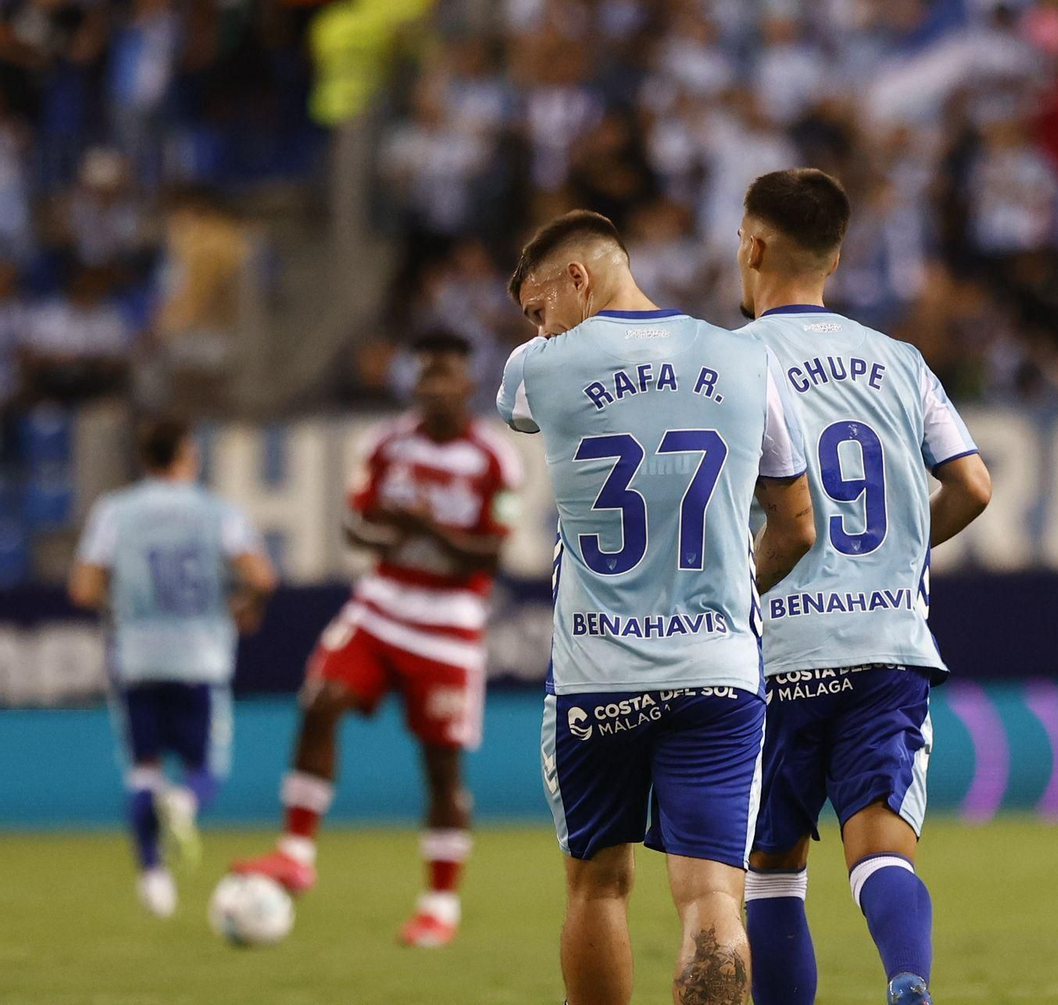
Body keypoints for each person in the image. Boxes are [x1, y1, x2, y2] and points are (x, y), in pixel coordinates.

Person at [498, 209, 815, 1005]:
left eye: (540, 306)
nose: (541, 325)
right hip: (715, 669)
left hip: (595, 673)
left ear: (578, 278)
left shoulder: (537, 367)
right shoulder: (744, 360)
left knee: (597, 886)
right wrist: (732, 595)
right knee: (712, 896)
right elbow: (797, 522)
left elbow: (524, 408)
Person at [733, 169, 991, 1005]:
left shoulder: (726, 364)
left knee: (770, 869)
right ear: (836, 257)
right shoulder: (898, 359)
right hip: (886, 644)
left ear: (755, 245)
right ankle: (907, 983)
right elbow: (974, 485)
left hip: (774, 648)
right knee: (880, 849)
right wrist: (901, 553)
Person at [231, 329, 522, 948]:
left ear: (468, 383)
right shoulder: (385, 442)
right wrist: (390, 534)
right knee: (319, 700)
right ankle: (296, 852)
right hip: (381, 605)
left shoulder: (497, 458)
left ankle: (439, 905)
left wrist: (426, 526)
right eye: (424, 375)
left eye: (446, 375)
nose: (434, 387)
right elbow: (353, 523)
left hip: (449, 625)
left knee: (441, 768)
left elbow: (491, 553)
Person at [68, 417, 277, 918]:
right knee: (205, 772)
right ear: (190, 454)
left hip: (137, 657)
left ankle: (152, 875)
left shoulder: (115, 512)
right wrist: (244, 607)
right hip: (200, 658)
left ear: (143, 459)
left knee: (142, 772)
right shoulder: (215, 512)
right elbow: (261, 577)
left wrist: (127, 604)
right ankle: (184, 802)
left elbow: (85, 589)